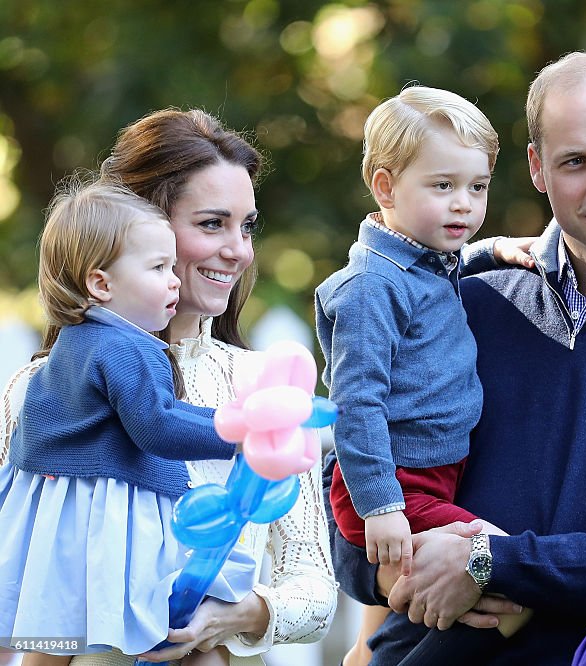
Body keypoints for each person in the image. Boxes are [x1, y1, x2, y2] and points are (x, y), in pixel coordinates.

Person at [324, 52, 586, 664]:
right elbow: (356, 476)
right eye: (575, 161)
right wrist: (395, 578)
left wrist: (495, 565)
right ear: (536, 168)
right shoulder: (463, 299)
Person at [1, 109, 338, 665]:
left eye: (247, 225)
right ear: (137, 226)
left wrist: (235, 614)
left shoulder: (260, 389)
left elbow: (317, 594)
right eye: (212, 224)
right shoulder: (37, 390)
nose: (239, 250)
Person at [315, 85, 533, 666]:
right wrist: (381, 505)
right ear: (385, 186)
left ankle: (368, 652)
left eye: (477, 186)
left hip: (433, 471)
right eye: (443, 186)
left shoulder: (423, 259)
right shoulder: (372, 288)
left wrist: (492, 252)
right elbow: (356, 405)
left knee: (441, 580)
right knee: (505, 562)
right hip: (397, 481)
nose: (464, 203)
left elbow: (447, 269)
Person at [0, 179, 244, 665]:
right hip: (108, 519)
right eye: (158, 268)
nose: (174, 279)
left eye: (173, 266)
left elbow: (163, 415)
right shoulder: (128, 348)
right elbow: (158, 426)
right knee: (176, 636)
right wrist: (237, 434)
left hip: (63, 523)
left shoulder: (74, 342)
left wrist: (225, 418)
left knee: (54, 635)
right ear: (101, 283)